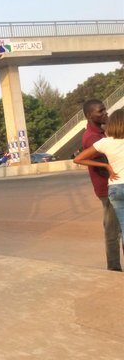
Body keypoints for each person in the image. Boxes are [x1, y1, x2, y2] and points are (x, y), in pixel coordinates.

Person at [74, 100, 123, 271]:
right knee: (113, 230)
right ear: (89, 116)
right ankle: (114, 268)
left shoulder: (102, 134)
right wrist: (108, 167)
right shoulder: (92, 137)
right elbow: (101, 165)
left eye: (105, 110)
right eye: (100, 111)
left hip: (113, 186)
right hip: (108, 188)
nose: (105, 113)